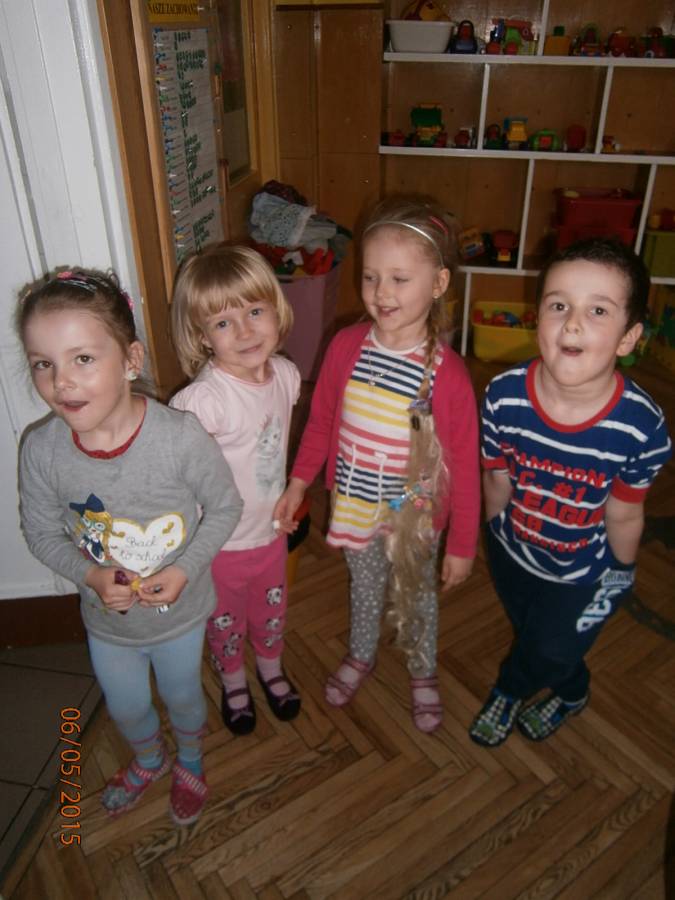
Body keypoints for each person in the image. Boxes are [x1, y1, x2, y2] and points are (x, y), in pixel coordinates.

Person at [17, 269, 243, 825]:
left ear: (131, 360)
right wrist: (90, 577)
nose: (61, 381)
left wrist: (185, 570)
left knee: (183, 696)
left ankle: (190, 757)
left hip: (179, 616)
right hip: (108, 622)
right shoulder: (41, 450)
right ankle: (149, 759)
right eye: (42, 363)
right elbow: (41, 533)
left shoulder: (180, 437)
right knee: (125, 705)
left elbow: (226, 508)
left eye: (82, 359)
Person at [274, 196, 480, 733]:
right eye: (370, 277)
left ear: (438, 283)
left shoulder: (447, 374)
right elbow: (321, 423)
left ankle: (422, 669)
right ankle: (361, 653)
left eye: (399, 279)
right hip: (356, 506)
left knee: (418, 596)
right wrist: (298, 484)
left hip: (415, 517)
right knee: (364, 588)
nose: (381, 293)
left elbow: (463, 466)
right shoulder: (346, 347)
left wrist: (462, 544)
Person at [470, 237, 672, 747]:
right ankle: (572, 690)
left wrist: (621, 571)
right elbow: (496, 476)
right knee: (538, 637)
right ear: (537, 316)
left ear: (628, 338)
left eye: (598, 310)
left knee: (550, 648)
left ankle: (510, 689)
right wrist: (494, 533)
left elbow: (624, 513)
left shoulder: (642, 427)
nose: (573, 323)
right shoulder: (502, 396)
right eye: (559, 305)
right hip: (512, 550)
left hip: (583, 570)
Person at [170, 244, 302, 736]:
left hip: (271, 533)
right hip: (219, 545)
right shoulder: (203, 401)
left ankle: (270, 667)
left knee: (271, 611)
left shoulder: (286, 376)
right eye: (224, 323)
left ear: (276, 310)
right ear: (202, 336)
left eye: (254, 312)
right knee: (225, 621)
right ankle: (232, 680)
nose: (245, 331)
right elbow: (174, 473)